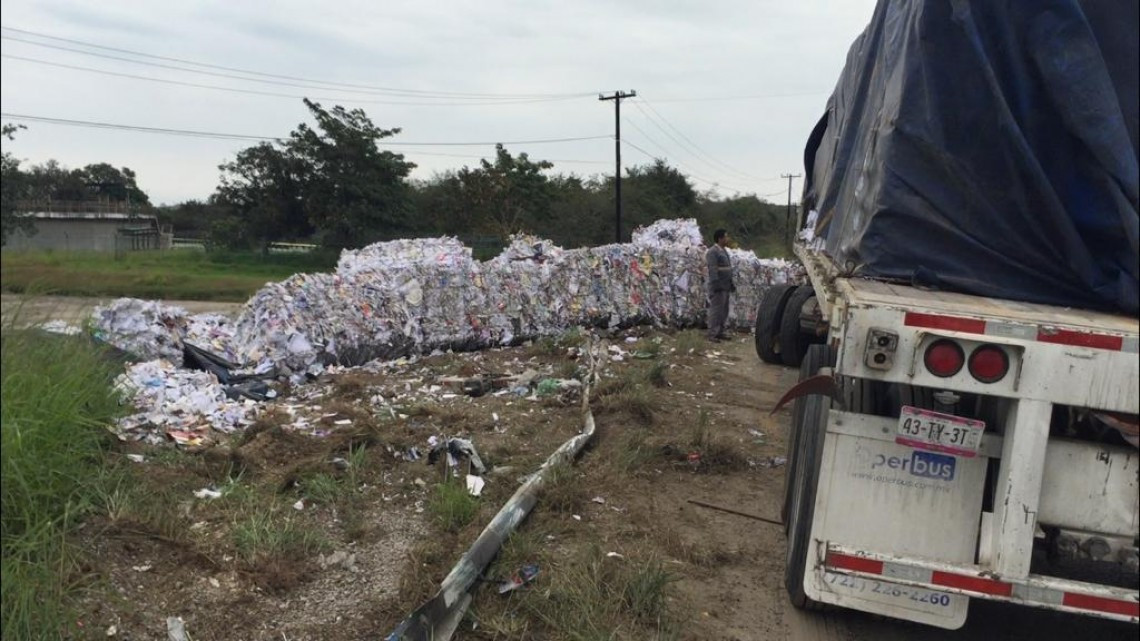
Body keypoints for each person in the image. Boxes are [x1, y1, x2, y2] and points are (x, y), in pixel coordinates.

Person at [706, 229, 734, 341]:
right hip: (718, 285)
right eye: (726, 237)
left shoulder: (724, 251)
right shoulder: (713, 252)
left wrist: (731, 282)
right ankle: (713, 333)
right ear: (720, 238)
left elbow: (728, 268)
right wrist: (716, 283)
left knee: (724, 310)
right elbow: (712, 269)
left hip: (726, 285)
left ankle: (721, 331)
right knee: (716, 310)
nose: (727, 239)